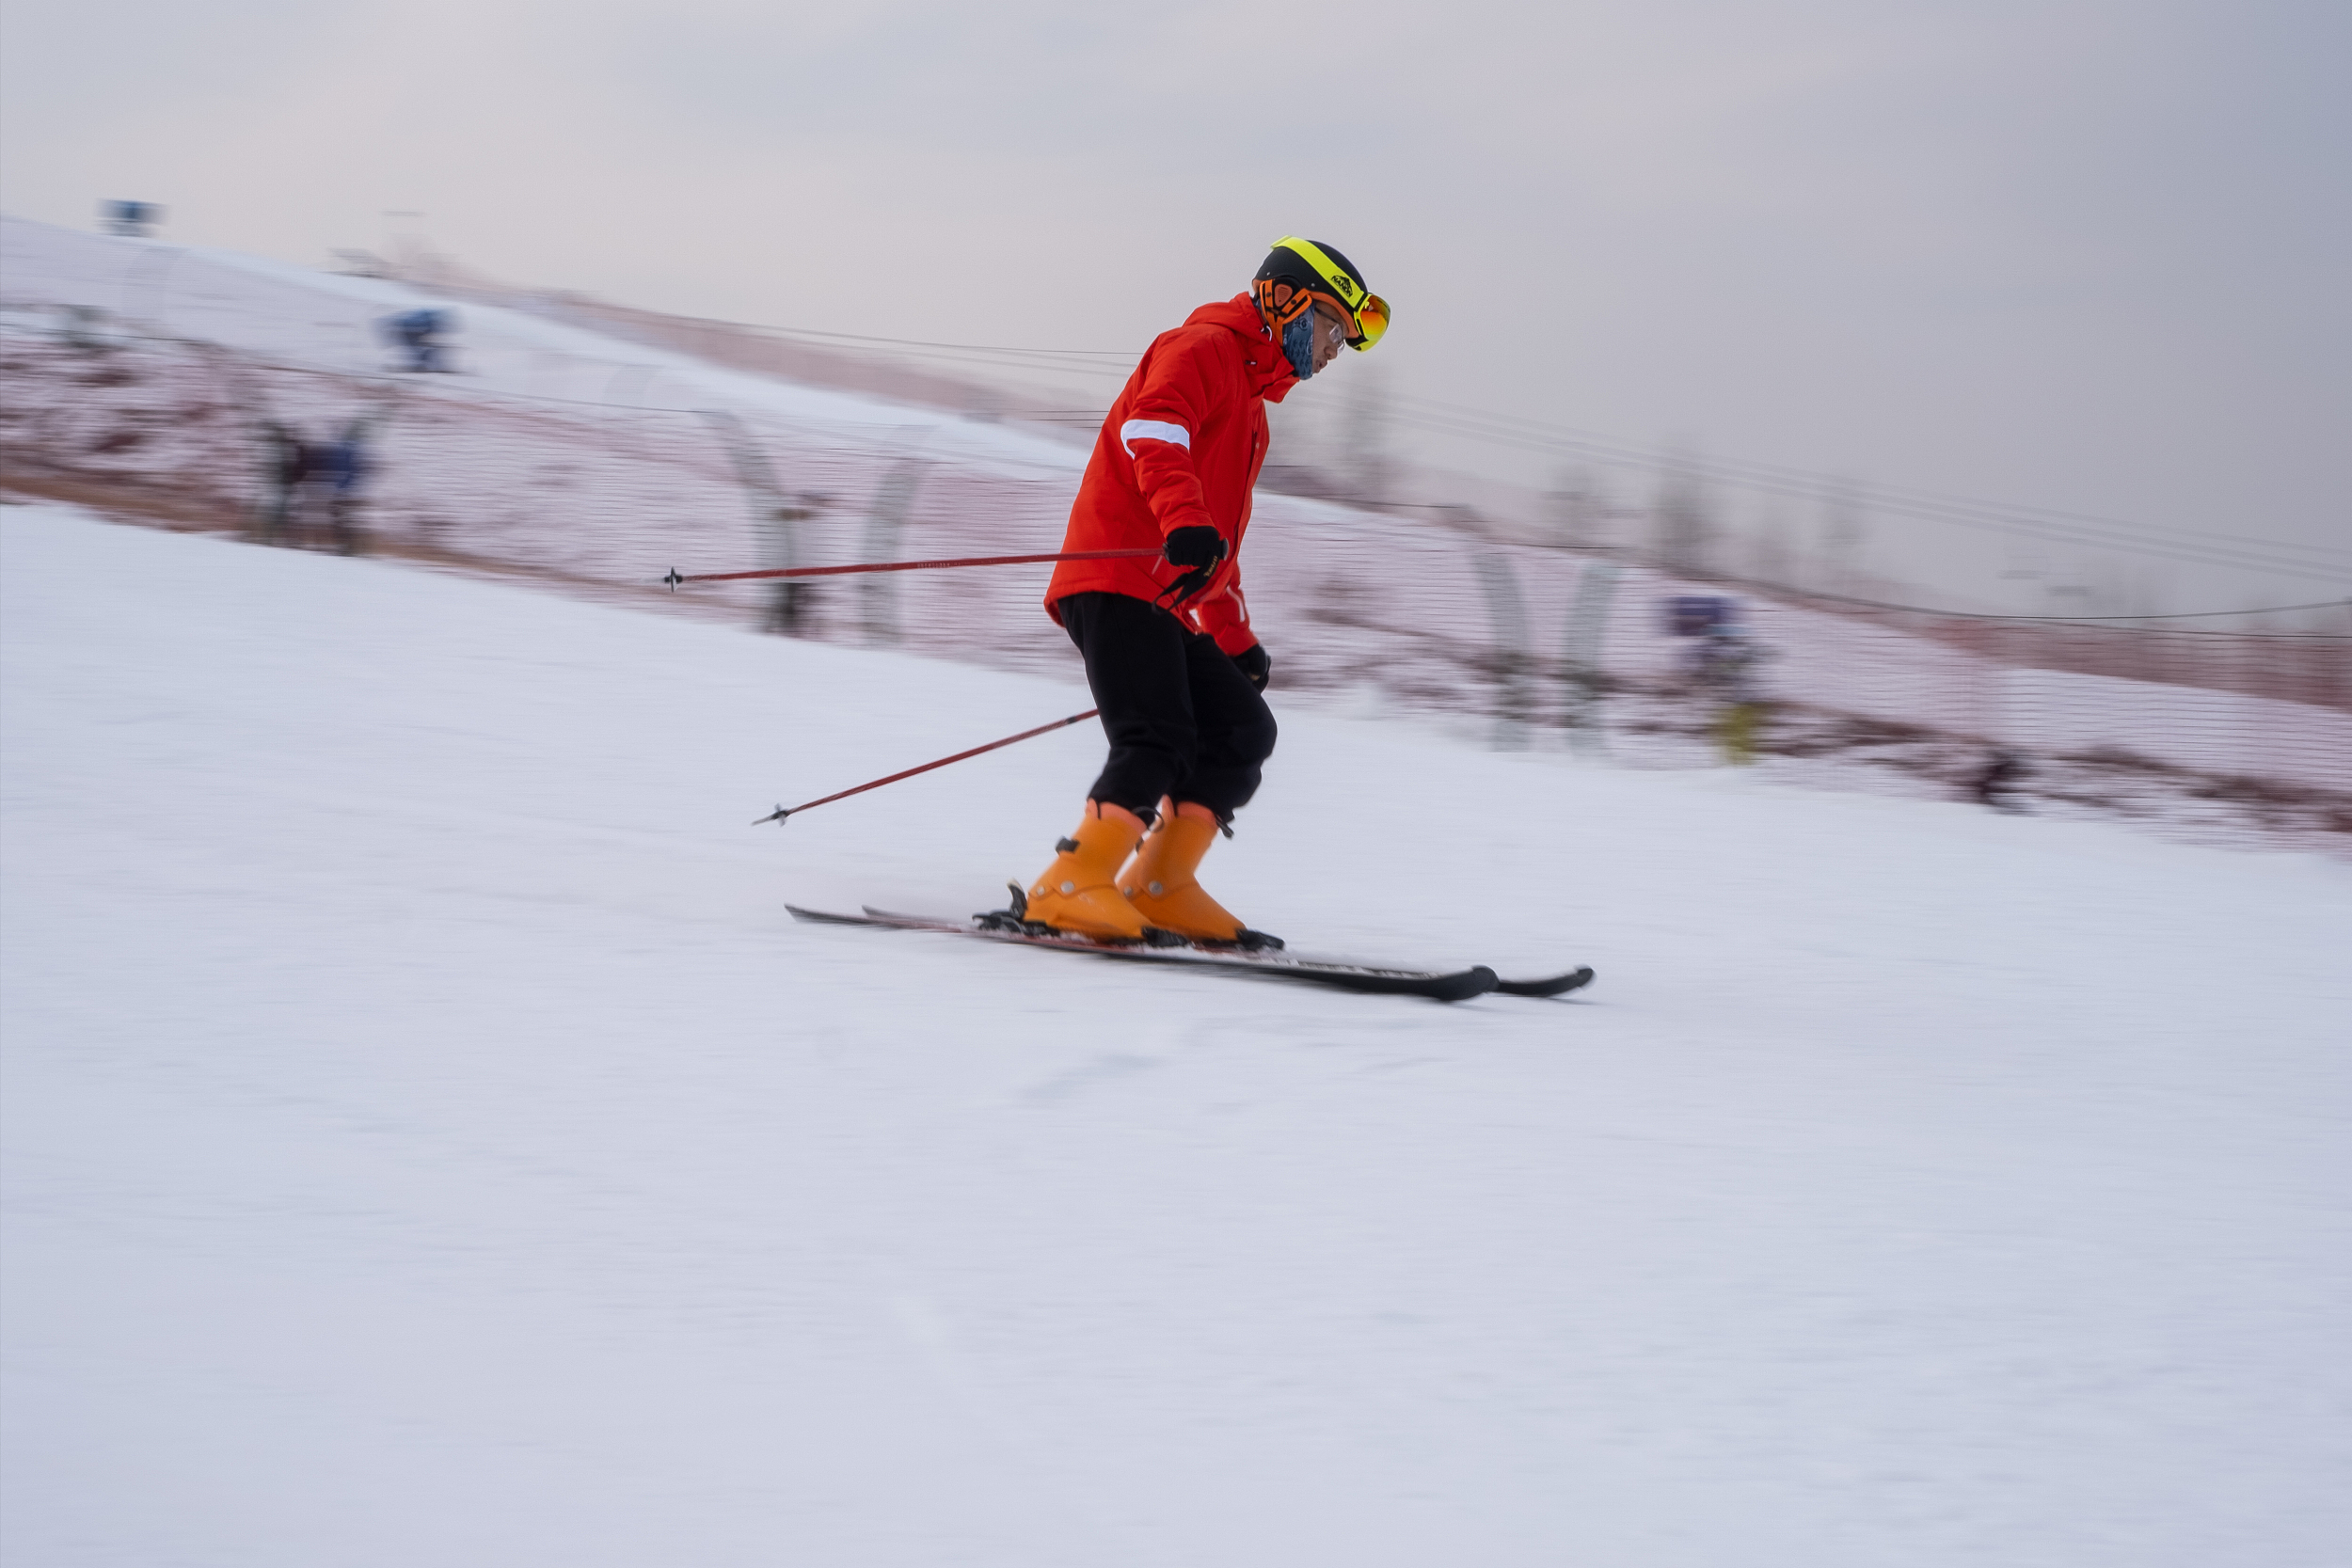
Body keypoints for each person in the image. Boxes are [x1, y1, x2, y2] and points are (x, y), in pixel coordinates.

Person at [1020, 238, 1390, 943]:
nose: (1337, 349)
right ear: (1283, 302)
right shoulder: (1202, 348)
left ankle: (1159, 885)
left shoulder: (1251, 408)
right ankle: (1064, 886)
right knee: (1156, 736)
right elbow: (1153, 430)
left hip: (1162, 592)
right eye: (1332, 326)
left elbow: (1213, 544)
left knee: (1243, 727)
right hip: (1115, 573)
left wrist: (1233, 636)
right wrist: (1184, 520)